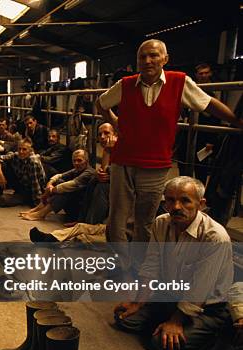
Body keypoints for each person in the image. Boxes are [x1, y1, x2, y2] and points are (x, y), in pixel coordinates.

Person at [97, 39, 243, 271]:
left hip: (156, 163)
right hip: (123, 160)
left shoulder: (179, 82)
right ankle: (118, 266)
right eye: (142, 57)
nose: (147, 61)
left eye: (153, 55)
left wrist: (235, 121)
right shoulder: (125, 84)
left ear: (165, 59)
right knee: (117, 218)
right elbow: (101, 102)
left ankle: (138, 267)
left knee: (145, 222)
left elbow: (208, 104)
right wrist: (115, 122)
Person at [114, 176, 233, 350]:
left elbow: (199, 291)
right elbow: (151, 265)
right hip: (171, 296)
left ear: (200, 204)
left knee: (161, 344)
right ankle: (166, 322)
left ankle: (212, 334)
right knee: (125, 319)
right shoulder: (161, 223)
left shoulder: (215, 237)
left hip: (206, 308)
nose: (176, 207)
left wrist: (176, 322)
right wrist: (138, 302)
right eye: (170, 200)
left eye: (185, 200)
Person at [21, 149, 95, 221]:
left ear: (87, 161)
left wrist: (50, 191)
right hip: (74, 205)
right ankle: (38, 209)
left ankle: (41, 214)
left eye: (79, 160)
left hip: (82, 211)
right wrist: (49, 185)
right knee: (59, 182)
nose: (76, 163)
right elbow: (59, 175)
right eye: (74, 161)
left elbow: (72, 184)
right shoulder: (77, 169)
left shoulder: (89, 172)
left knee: (65, 190)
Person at [0, 138, 45, 207]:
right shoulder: (16, 155)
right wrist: (0, 175)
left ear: (30, 150)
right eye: (19, 149)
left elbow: (36, 184)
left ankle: (26, 199)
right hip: (21, 184)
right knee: (2, 165)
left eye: (24, 149)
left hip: (31, 189)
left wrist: (37, 205)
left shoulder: (33, 161)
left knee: (3, 200)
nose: (21, 152)